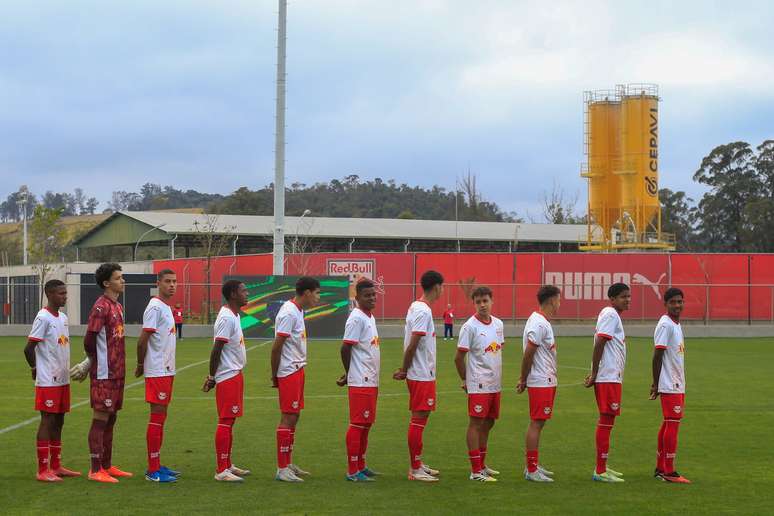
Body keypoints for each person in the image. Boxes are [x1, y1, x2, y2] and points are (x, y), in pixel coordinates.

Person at [24, 279, 80, 482]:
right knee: (47, 420)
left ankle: (56, 466)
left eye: (65, 293)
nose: (64, 296)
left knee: (59, 420)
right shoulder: (43, 318)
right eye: (60, 293)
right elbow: (29, 348)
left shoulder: (63, 317)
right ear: (49, 294)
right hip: (48, 379)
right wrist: (35, 368)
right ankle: (42, 470)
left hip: (62, 379)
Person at [393, 270, 444, 482]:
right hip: (421, 373)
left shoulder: (416, 306)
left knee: (421, 418)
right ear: (437, 287)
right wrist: (404, 370)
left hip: (422, 372)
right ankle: (415, 468)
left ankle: (418, 463)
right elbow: (413, 343)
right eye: (442, 286)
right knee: (419, 419)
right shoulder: (423, 311)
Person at [84, 263, 132, 483]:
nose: (122, 281)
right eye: (118, 278)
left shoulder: (118, 307)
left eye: (122, 277)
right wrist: (90, 361)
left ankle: (106, 465)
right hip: (103, 373)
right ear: (106, 283)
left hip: (117, 372)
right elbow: (89, 338)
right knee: (100, 419)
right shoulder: (100, 307)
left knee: (111, 418)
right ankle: (95, 469)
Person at [272, 276, 321, 482]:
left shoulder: (299, 311)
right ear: (307, 293)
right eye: (317, 293)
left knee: (295, 415)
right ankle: (281, 468)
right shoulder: (289, 312)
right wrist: (274, 375)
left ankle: (288, 461)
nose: (318, 297)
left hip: (298, 368)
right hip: (289, 370)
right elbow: (277, 346)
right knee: (288, 416)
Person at [202, 280, 251, 482]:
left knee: (230, 422)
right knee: (225, 421)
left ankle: (228, 464)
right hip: (227, 375)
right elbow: (217, 349)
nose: (247, 293)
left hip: (235, 373)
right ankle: (221, 470)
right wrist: (212, 376)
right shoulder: (226, 318)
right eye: (243, 290)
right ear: (233, 294)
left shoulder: (234, 315)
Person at [454, 286, 504, 483]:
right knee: (475, 423)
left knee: (489, 422)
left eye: (485, 300)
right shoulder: (469, 327)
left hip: (495, 383)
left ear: (492, 301)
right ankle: (475, 471)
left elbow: (496, 351)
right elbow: (458, 358)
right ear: (474, 303)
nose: (482, 305)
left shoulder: (499, 324)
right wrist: (465, 380)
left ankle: (482, 464)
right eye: (478, 302)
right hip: (479, 384)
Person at [135, 269, 180, 483]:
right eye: (168, 281)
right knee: (157, 417)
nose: (172, 285)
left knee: (161, 417)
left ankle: (157, 464)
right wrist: (140, 364)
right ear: (158, 283)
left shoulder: (165, 307)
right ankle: (152, 470)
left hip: (167, 369)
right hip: (157, 370)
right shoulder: (154, 307)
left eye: (174, 282)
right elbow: (142, 339)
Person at [584, 282, 631, 483]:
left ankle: (602, 467)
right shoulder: (611, 314)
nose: (627, 300)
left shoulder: (611, 315)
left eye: (629, 296)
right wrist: (595, 372)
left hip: (611, 376)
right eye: (623, 296)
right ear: (612, 299)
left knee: (608, 421)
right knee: (606, 421)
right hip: (608, 377)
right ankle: (600, 470)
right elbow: (600, 342)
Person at [337, 279, 380, 482]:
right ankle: (352, 469)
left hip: (370, 379)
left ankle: (361, 465)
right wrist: (350, 373)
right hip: (361, 380)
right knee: (357, 424)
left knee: (366, 424)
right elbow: (345, 348)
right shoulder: (356, 318)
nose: (372, 298)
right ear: (357, 298)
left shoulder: (369, 317)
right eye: (367, 295)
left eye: (373, 294)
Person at [517, 285, 561, 482]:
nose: (560, 303)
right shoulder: (539, 323)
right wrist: (523, 378)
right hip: (540, 381)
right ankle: (531, 469)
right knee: (536, 422)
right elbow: (529, 352)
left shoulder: (541, 321)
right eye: (559, 299)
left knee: (539, 422)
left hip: (546, 379)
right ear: (552, 300)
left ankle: (533, 465)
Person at [650, 288, 691, 483]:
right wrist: (656, 383)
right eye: (673, 302)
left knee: (668, 423)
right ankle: (669, 471)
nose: (677, 305)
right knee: (673, 424)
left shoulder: (676, 324)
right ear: (665, 304)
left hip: (677, 383)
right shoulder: (665, 325)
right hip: (670, 383)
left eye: (680, 301)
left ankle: (661, 467)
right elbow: (657, 355)